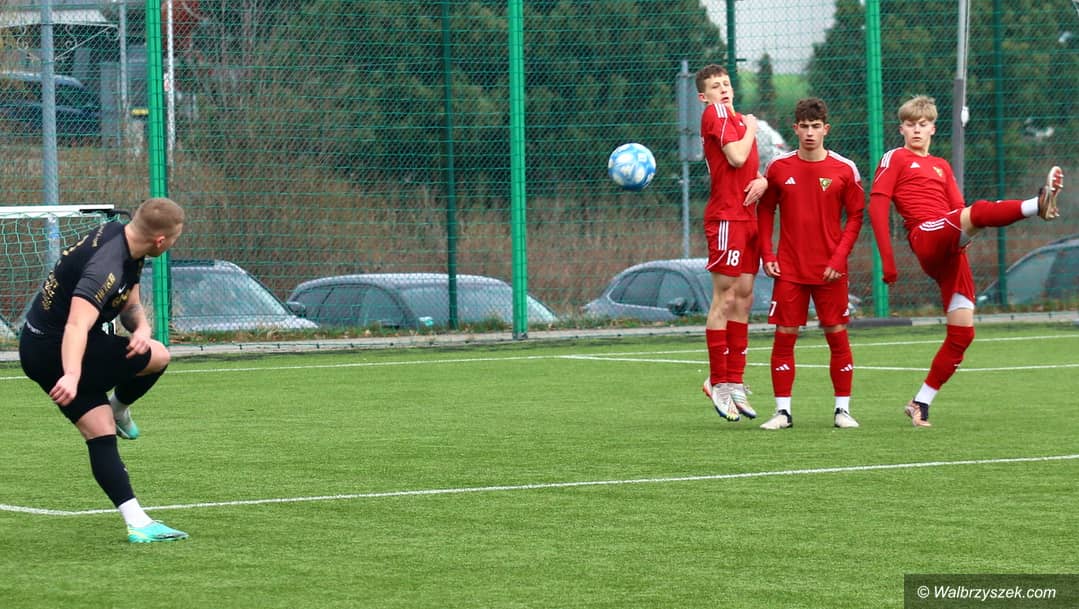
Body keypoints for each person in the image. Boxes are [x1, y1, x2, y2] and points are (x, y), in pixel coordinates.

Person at [869, 95, 1064, 427]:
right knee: (979, 211)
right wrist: (887, 260)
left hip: (951, 249)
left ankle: (920, 403)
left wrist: (965, 235)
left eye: (922, 124)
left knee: (962, 334)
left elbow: (958, 208)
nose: (916, 130)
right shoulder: (895, 157)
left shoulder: (941, 166)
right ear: (901, 129)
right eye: (910, 125)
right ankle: (1037, 203)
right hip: (925, 235)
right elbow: (876, 206)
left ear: (933, 128)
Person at [19, 197, 189, 542]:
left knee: (100, 430)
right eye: (174, 239)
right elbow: (75, 326)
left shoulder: (126, 240)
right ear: (161, 241)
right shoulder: (105, 267)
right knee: (158, 356)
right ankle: (119, 408)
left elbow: (131, 305)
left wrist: (142, 328)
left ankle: (138, 523)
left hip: (39, 347)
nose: (172, 244)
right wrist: (71, 375)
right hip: (57, 349)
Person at [756, 97, 864, 430]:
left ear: (826, 129)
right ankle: (782, 412)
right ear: (795, 128)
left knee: (837, 336)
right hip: (790, 269)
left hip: (830, 270)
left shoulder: (844, 169)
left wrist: (839, 258)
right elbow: (765, 210)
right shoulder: (778, 167)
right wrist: (767, 254)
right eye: (804, 127)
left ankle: (842, 410)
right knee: (784, 336)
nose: (809, 133)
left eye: (815, 127)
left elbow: (856, 216)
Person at [695, 63, 768, 422]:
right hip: (726, 218)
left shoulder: (737, 121)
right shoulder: (716, 114)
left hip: (749, 217)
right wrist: (754, 126)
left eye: (726, 83)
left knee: (744, 298)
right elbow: (737, 156)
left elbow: (748, 167)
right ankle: (718, 382)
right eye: (715, 86)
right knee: (724, 298)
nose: (723, 89)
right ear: (703, 96)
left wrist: (764, 181)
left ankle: (735, 381)